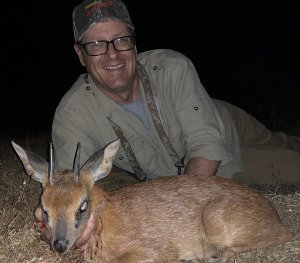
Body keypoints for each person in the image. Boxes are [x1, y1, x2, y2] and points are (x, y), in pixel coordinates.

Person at [36, 0, 300, 246]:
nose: (112, 54)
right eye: (96, 44)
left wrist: (181, 215)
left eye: (121, 40)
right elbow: (66, 185)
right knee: (288, 166)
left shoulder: (172, 66)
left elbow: (207, 144)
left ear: (134, 45)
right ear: (80, 54)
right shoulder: (73, 112)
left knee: (282, 142)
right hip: (221, 171)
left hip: (225, 122)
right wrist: (59, 222)